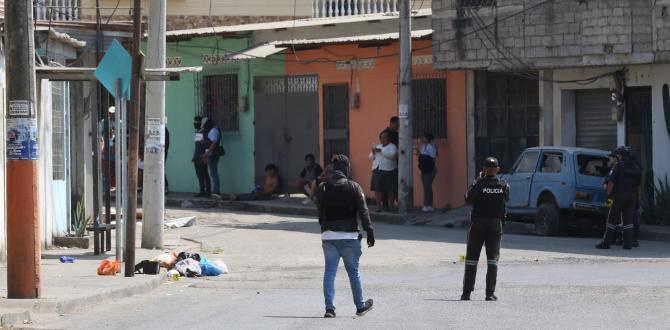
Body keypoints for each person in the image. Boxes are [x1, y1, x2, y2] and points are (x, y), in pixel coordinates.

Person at [315, 154, 375, 318]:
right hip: (349, 237)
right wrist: (369, 231)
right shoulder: (354, 187)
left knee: (329, 273)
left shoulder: (323, 187)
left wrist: (325, 230)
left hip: (328, 237)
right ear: (346, 168)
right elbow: (363, 212)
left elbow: (320, 213)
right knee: (353, 273)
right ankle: (360, 306)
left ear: (334, 169)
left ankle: (330, 309)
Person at [461, 157, 509, 302]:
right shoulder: (503, 185)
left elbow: (468, 199)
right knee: (493, 260)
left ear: (483, 169)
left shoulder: (479, 184)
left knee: (471, 259)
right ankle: (489, 293)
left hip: (478, 224)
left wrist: (476, 182)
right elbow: (506, 199)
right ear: (498, 169)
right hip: (496, 225)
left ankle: (466, 293)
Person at [596, 146, 642, 250]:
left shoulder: (618, 166)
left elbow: (611, 181)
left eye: (617, 155)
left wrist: (608, 194)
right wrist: (638, 198)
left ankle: (606, 243)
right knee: (628, 220)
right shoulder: (637, 167)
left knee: (611, 219)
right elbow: (639, 185)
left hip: (619, 196)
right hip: (632, 197)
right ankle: (628, 244)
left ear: (620, 156)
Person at [369, 131, 398, 212]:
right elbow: (370, 158)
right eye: (381, 137)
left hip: (389, 170)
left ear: (389, 138)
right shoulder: (378, 146)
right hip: (377, 169)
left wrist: (381, 151)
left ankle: (391, 206)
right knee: (377, 189)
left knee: (390, 189)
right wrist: (373, 152)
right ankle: (378, 207)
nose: (382, 139)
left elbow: (392, 156)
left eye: (385, 137)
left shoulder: (393, 146)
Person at [201, 118, 224, 199]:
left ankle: (216, 191)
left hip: (213, 154)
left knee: (214, 173)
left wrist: (206, 153)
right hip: (212, 153)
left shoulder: (213, 130)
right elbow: (210, 142)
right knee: (213, 173)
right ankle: (215, 191)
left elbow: (214, 143)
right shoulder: (212, 130)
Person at [416, 132, 437, 212]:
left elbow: (433, 158)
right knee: (427, 187)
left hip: (429, 170)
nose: (422, 139)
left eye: (423, 137)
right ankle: (429, 205)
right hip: (424, 169)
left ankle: (426, 205)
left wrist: (430, 168)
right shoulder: (423, 146)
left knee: (426, 187)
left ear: (427, 139)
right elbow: (420, 155)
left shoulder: (430, 147)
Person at [192, 116, 211, 197]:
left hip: (202, 156)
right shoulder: (198, 132)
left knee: (204, 174)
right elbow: (196, 146)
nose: (195, 123)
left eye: (197, 122)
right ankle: (202, 191)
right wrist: (194, 156)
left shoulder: (205, 132)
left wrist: (206, 156)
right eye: (195, 122)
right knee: (199, 174)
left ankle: (208, 191)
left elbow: (208, 144)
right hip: (197, 156)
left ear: (201, 123)